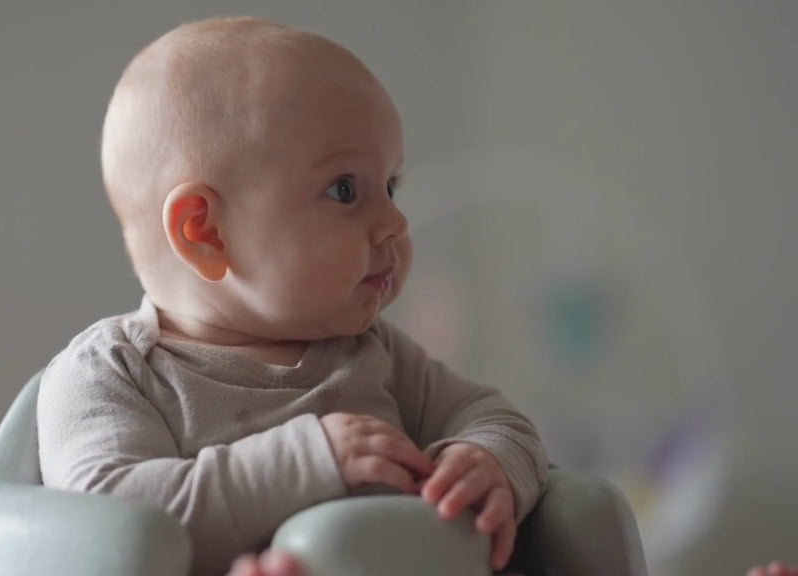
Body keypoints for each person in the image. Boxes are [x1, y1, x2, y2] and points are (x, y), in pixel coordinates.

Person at [37, 16, 547, 576]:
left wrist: (488, 462)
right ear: (206, 233)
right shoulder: (112, 374)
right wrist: (307, 460)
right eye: (345, 190)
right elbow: (108, 525)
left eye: (390, 186)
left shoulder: (373, 351)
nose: (396, 223)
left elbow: (499, 419)